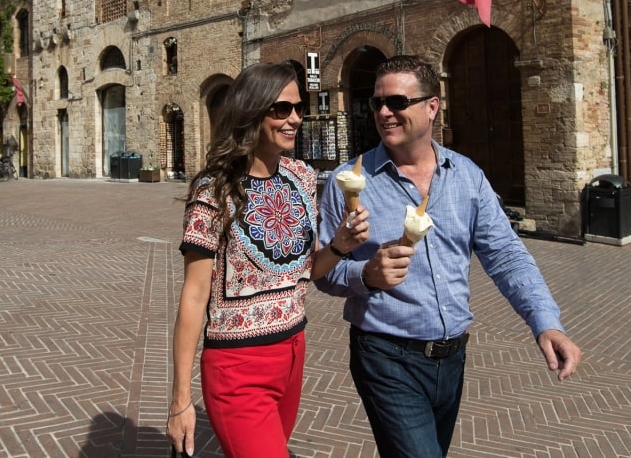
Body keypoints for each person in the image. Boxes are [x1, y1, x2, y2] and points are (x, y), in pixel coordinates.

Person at [315, 54, 582, 457]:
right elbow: (323, 274)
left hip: (452, 357)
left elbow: (507, 254)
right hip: (385, 356)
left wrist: (546, 322)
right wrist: (366, 275)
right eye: (377, 103)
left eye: (397, 103)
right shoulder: (348, 182)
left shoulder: (467, 175)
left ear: (432, 107)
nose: (384, 112)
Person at [167, 62, 370, 458]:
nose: (294, 118)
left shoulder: (302, 177)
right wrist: (180, 398)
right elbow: (194, 296)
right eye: (281, 109)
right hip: (236, 368)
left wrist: (340, 246)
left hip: (293, 352)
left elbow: (304, 272)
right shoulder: (213, 191)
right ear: (252, 110)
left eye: (298, 107)